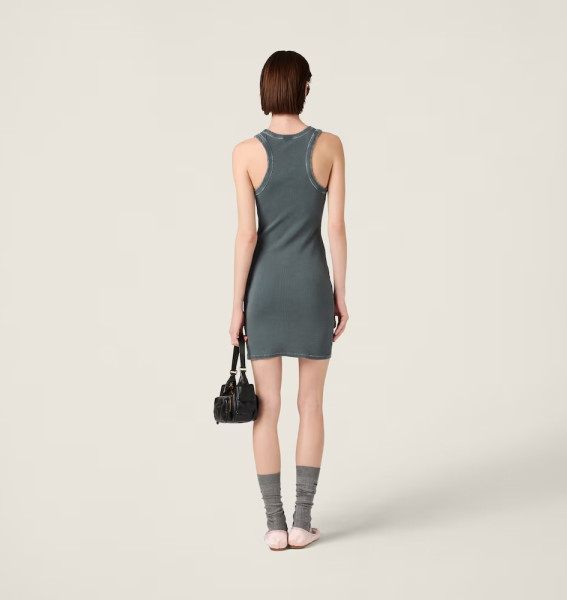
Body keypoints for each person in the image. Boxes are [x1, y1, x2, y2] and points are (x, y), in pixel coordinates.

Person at [229, 50, 349, 550]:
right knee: (311, 404)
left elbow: (247, 235)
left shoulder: (244, 153)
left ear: (265, 89)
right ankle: (303, 522)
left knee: (267, 407)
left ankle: (275, 525)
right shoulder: (330, 146)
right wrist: (340, 294)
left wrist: (237, 305)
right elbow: (336, 227)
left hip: (264, 292)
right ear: (304, 88)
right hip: (312, 287)